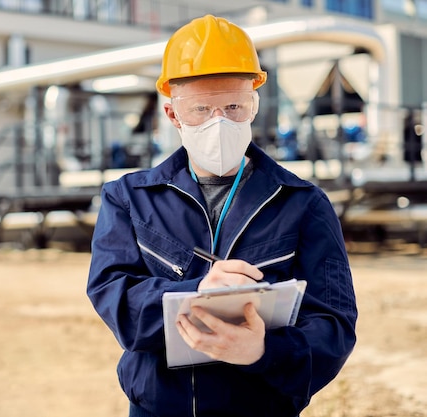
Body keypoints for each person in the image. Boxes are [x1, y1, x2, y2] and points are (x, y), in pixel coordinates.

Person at [86, 15, 357, 417]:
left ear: (255, 104)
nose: (220, 122)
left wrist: (265, 350)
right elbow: (114, 297)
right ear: (173, 114)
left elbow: (333, 322)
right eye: (201, 109)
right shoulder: (129, 199)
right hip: (160, 408)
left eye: (234, 105)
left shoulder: (303, 203)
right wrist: (195, 294)